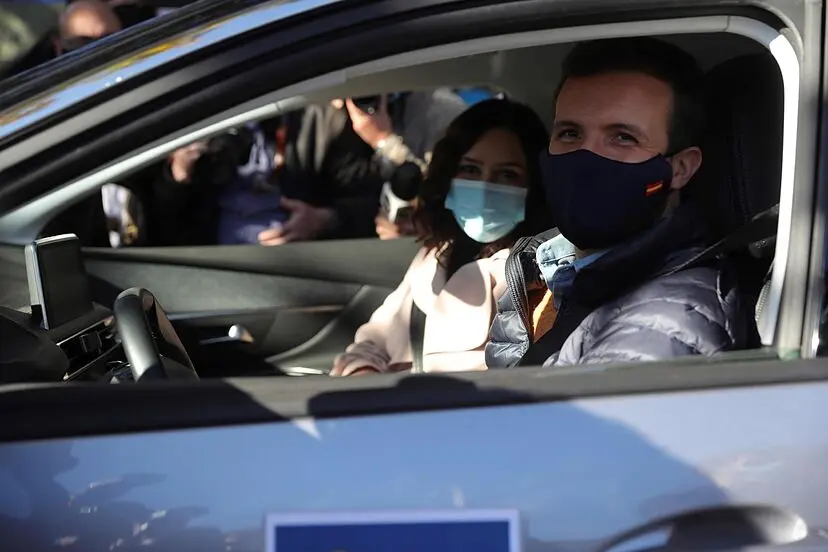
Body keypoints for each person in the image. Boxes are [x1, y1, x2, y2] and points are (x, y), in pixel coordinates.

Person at [486, 37, 755, 369]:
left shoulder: (665, 318)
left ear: (680, 168)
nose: (586, 157)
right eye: (570, 133)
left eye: (623, 137)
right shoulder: (544, 271)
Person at [331, 99, 552, 376]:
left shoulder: (537, 278)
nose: (484, 186)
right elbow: (373, 339)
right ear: (449, 176)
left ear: (534, 186)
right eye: (470, 169)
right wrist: (362, 373)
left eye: (507, 174)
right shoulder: (437, 252)